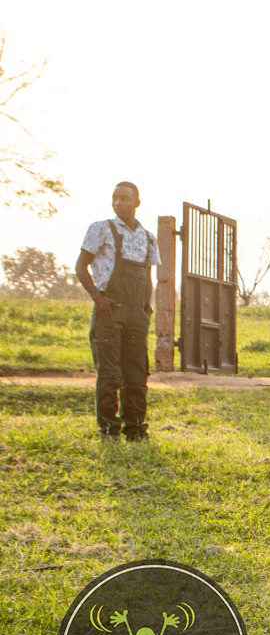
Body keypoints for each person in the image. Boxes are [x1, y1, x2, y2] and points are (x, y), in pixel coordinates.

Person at [75, 181, 160, 441]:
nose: (118, 203)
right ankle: (109, 430)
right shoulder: (100, 229)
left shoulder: (148, 237)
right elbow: (81, 267)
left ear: (137, 203)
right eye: (115, 198)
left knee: (136, 373)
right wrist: (98, 298)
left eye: (124, 198)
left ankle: (135, 429)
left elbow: (148, 276)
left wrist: (147, 309)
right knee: (110, 373)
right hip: (109, 312)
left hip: (137, 315)